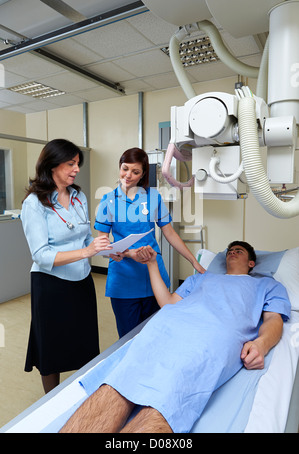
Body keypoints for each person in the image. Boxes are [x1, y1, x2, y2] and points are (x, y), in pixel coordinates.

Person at [60, 241, 291, 433]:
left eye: (238, 251)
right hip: (168, 327)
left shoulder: (266, 285)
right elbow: (168, 303)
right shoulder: (200, 278)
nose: (232, 252)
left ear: (251, 263)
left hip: (211, 337)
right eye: (230, 249)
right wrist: (151, 264)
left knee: (168, 399)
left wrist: (261, 344)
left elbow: (273, 320)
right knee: (119, 384)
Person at [21, 139, 112, 394]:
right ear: (52, 165)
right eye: (71, 163)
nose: (77, 169)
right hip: (50, 285)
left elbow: (84, 236)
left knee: (83, 341)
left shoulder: (78, 196)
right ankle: (51, 400)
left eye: (78, 163)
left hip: (81, 280)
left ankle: (82, 395)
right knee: (52, 347)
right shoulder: (34, 203)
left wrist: (106, 249)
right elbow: (41, 255)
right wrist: (86, 251)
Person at [95, 147, 204, 338]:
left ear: (143, 174)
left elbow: (170, 233)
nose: (128, 175)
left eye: (135, 172)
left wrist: (193, 261)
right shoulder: (107, 201)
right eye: (125, 168)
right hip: (123, 279)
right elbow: (102, 245)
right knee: (129, 339)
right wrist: (130, 254)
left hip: (154, 277)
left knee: (157, 334)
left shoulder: (153, 197)